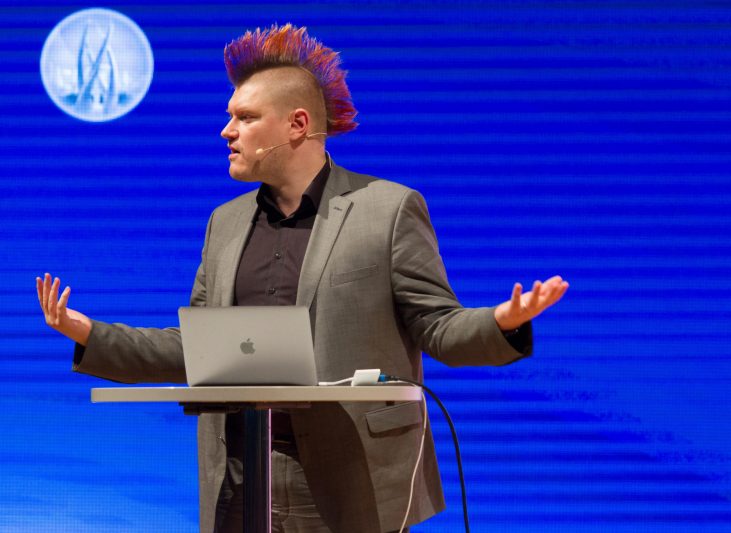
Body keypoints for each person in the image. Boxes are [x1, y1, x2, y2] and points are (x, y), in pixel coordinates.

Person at [36, 23, 569, 533]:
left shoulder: (386, 209)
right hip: (241, 474)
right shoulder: (224, 224)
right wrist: (90, 334)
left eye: (244, 117)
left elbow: (437, 327)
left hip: (349, 477)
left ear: (296, 125)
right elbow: (194, 348)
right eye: (230, 117)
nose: (227, 131)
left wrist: (502, 322)